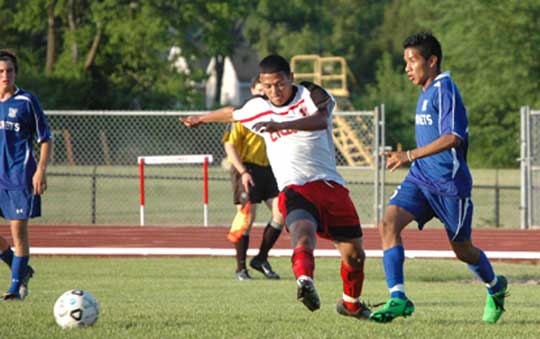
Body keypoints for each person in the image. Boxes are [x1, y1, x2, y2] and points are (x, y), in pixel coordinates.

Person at [182, 54, 371, 319]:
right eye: (268, 86)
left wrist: (280, 124)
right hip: (295, 188)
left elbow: (319, 120)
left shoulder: (312, 93)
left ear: (290, 78)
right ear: (261, 84)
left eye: (279, 84)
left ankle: (350, 304)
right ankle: (304, 280)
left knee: (355, 256)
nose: (274, 91)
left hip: (330, 186)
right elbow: (232, 114)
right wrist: (201, 118)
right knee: (302, 233)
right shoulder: (257, 106)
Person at [369, 32, 508, 324]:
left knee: (463, 251)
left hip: (450, 185)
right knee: (388, 223)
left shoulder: (445, 88)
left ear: (431, 61)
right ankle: (398, 297)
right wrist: (413, 161)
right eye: (405, 62)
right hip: (420, 180)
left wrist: (408, 155)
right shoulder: (425, 91)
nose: (407, 68)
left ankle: (495, 287)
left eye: (412, 61)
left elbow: (452, 137)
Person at [0, 49, 52, 300]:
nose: (5, 75)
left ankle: (15, 288)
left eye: (9, 70)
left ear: (15, 73)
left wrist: (40, 170)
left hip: (20, 177)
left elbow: (45, 138)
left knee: (18, 232)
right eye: (0, 71)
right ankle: (21, 270)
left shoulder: (27, 101)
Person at [223, 77, 284, 281]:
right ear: (251, 90)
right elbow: (229, 146)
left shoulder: (275, 112)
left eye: (265, 89)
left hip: (269, 169)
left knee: (281, 212)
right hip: (247, 168)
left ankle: (261, 258)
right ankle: (240, 268)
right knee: (247, 217)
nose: (262, 93)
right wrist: (242, 172)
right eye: (259, 90)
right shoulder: (244, 114)